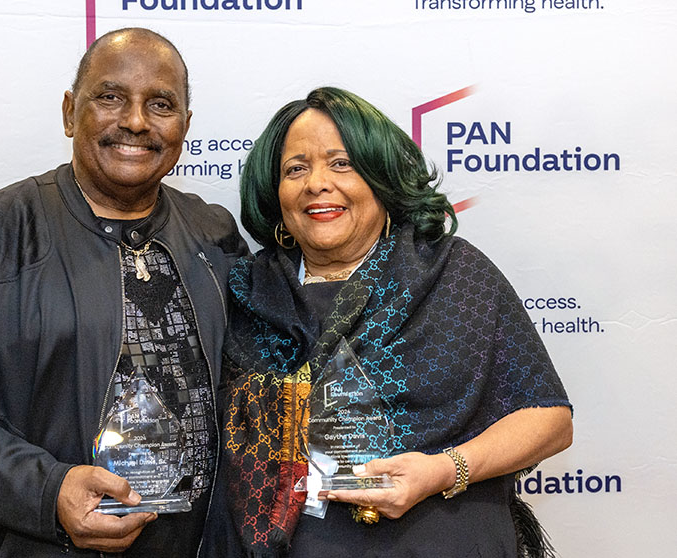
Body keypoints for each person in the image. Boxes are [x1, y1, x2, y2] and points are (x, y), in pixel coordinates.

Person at [0, 28, 247, 557]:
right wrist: (49, 491)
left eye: (161, 104)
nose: (136, 121)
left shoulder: (214, 234)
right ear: (70, 112)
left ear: (184, 125)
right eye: (110, 97)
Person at [200, 87, 573, 557]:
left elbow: (550, 419)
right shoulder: (248, 291)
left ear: (381, 179)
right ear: (276, 196)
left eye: (341, 164)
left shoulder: (453, 273)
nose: (317, 183)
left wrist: (442, 470)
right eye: (296, 169)